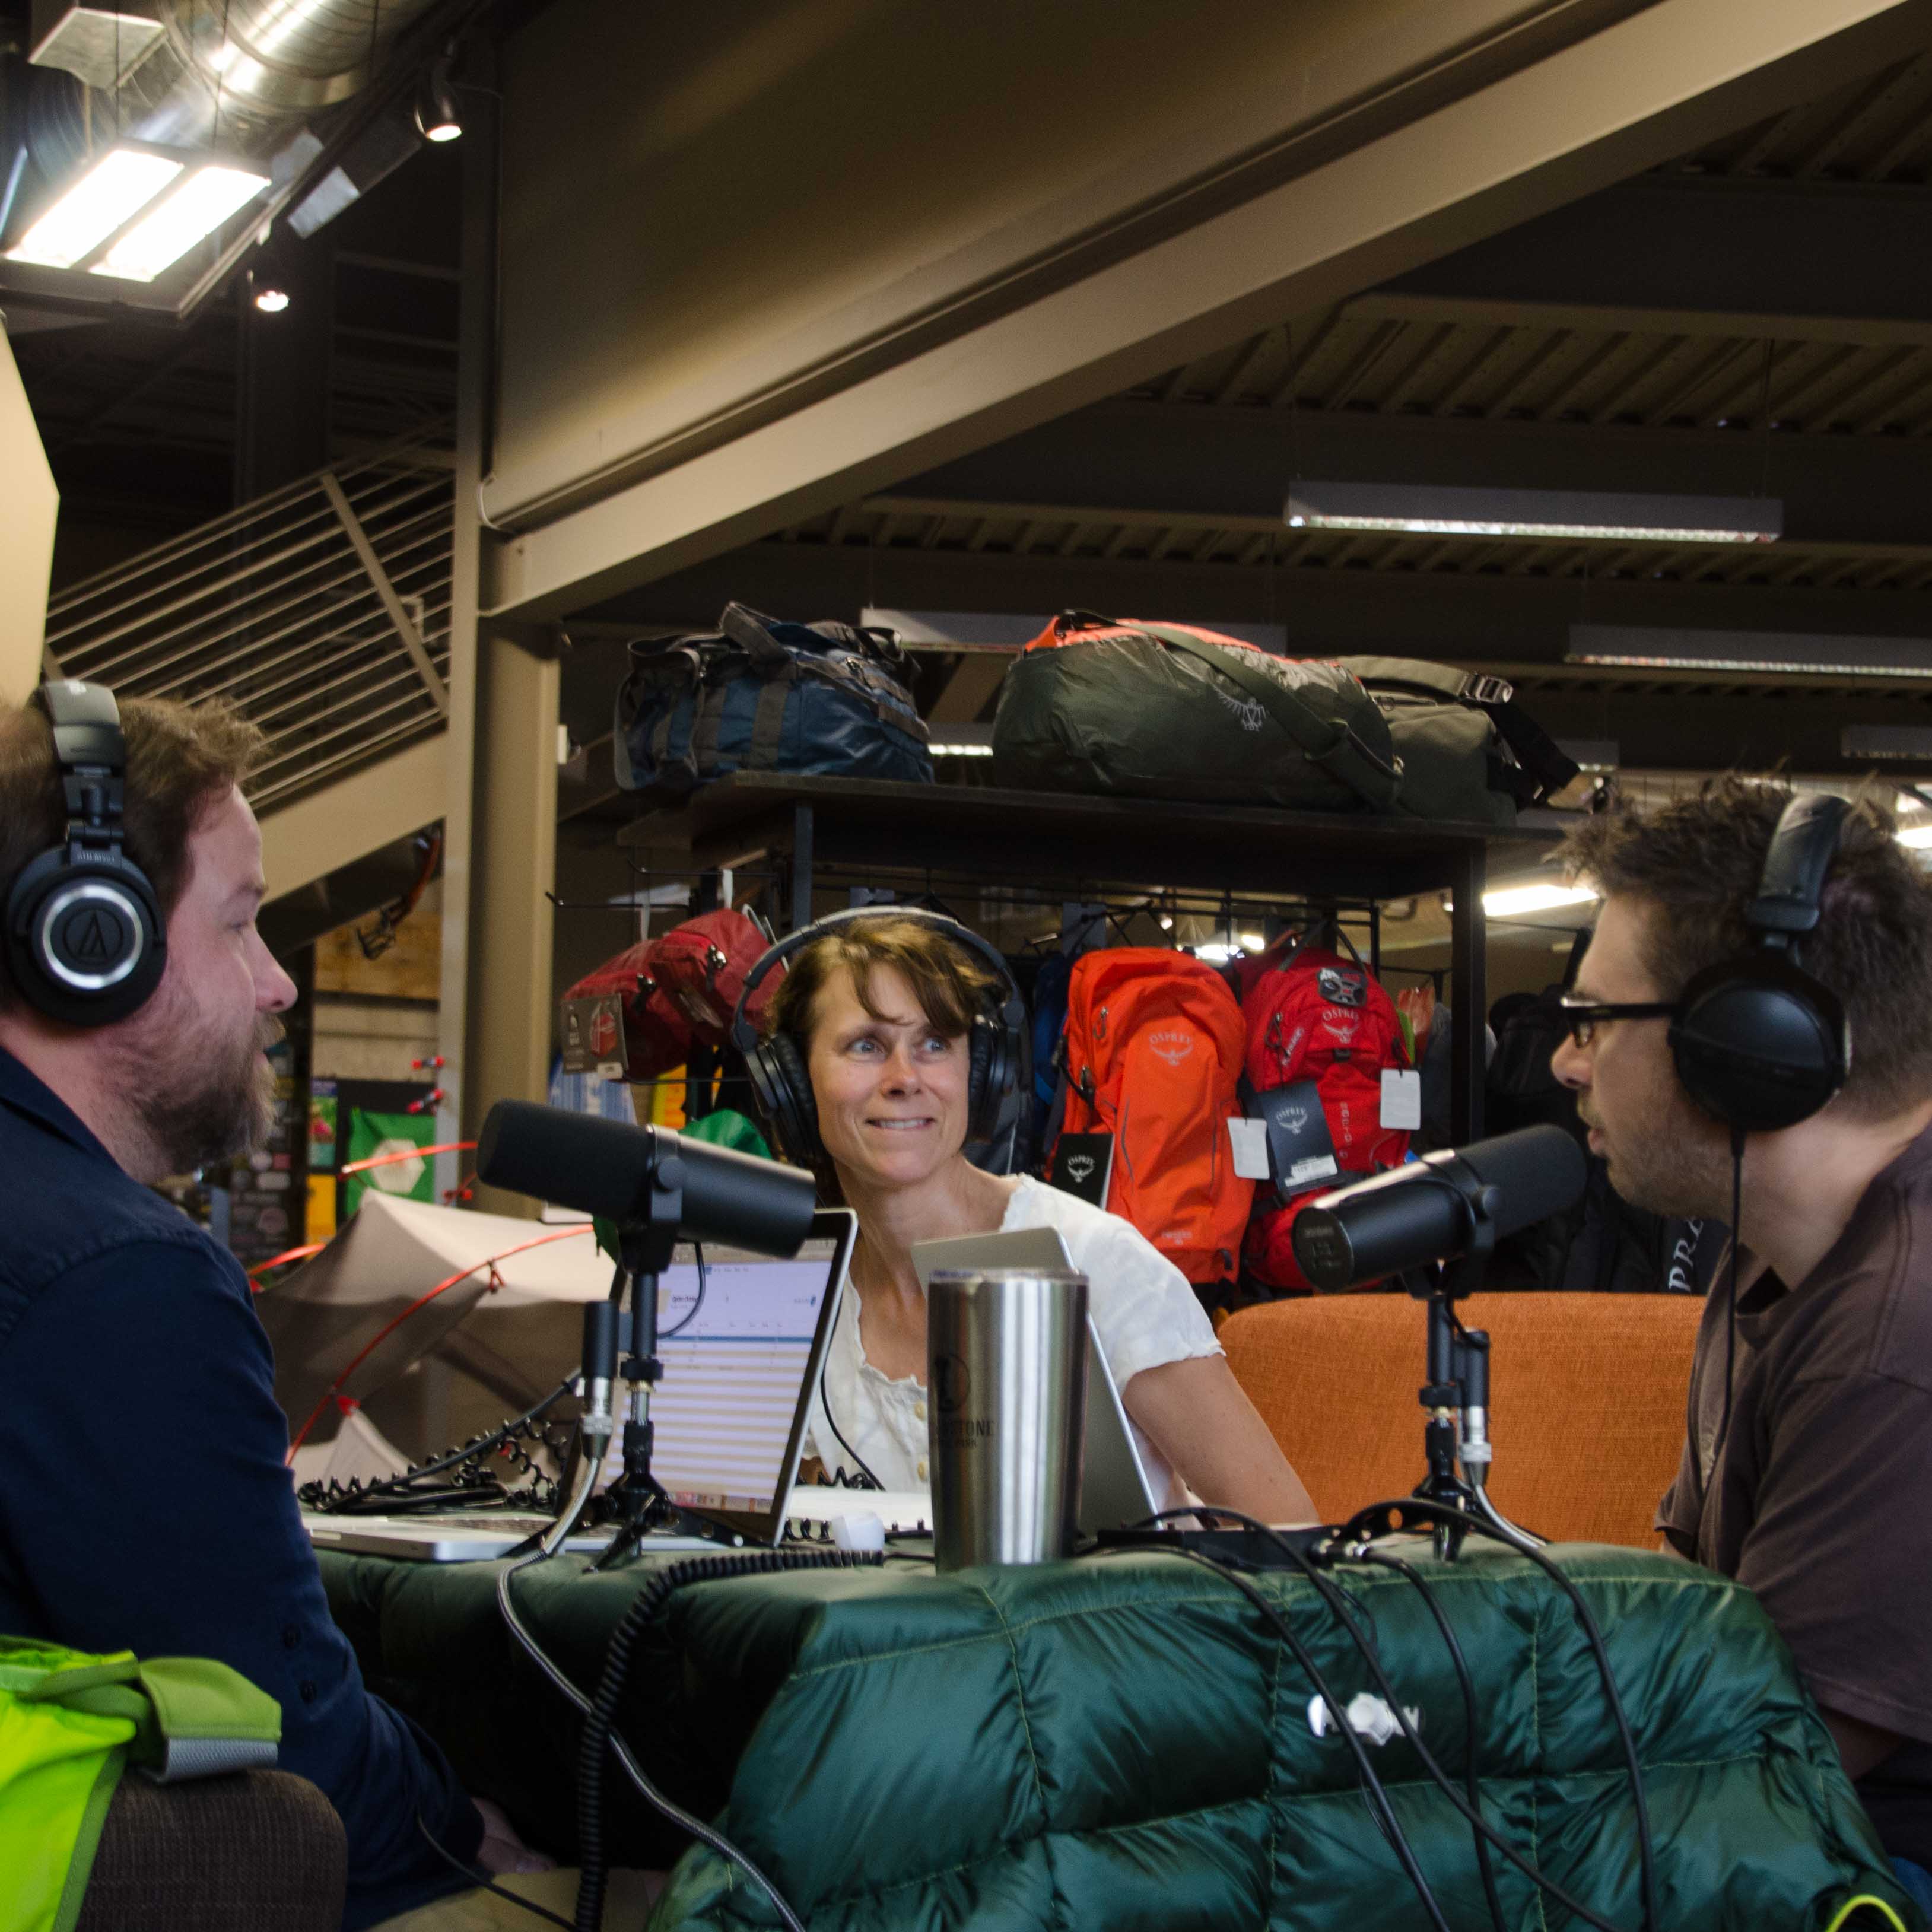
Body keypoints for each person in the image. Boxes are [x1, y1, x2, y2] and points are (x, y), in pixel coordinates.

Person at [0, 687, 545, 1930]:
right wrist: (464, 1821)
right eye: (241, 924)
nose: (275, 986)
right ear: (92, 939)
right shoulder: (113, 1277)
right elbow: (289, 1737)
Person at [1550, 779, 1932, 1909]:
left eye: (1593, 1021)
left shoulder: (1895, 1342)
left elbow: (1756, 1764)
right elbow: (1695, 1616)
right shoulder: (1777, 1250)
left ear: (1747, 1050)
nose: (1569, 1064)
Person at [758, 913, 1316, 1522]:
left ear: (980, 1073)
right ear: (792, 1085)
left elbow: (1287, 1535)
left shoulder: (1095, 1261)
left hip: (1115, 1615)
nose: (904, 1078)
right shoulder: (803, 1290)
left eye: (934, 1044)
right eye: (865, 1044)